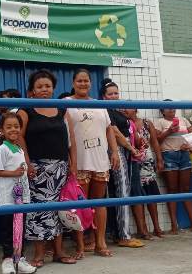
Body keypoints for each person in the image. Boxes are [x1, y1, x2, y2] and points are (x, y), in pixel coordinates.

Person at [17, 69, 78, 267]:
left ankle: (59, 253)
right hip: (37, 169)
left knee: (58, 211)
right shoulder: (26, 110)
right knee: (38, 212)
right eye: (40, 86)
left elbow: (71, 140)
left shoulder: (62, 109)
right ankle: (39, 255)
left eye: (48, 86)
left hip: (60, 168)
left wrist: (73, 164)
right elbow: (18, 137)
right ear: (32, 90)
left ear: (53, 88)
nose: (44, 89)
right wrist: (26, 162)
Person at [65, 69, 119, 257]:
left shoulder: (99, 104)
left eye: (86, 81)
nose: (83, 84)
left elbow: (109, 129)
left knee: (100, 203)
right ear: (73, 83)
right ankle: (80, 245)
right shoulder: (66, 104)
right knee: (80, 204)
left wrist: (114, 152)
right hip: (79, 161)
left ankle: (100, 242)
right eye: (79, 81)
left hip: (100, 160)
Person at [0, 112, 37, 274]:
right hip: (8, 198)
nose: (13, 130)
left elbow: (21, 170)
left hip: (21, 197)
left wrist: (26, 173)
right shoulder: (3, 149)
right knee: (8, 230)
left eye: (16, 126)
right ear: (1, 129)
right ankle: (8, 260)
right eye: (8, 127)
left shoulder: (19, 149)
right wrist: (15, 174)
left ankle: (20, 258)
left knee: (20, 228)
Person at [100, 79, 144, 248]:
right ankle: (123, 235)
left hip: (123, 151)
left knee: (120, 191)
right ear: (104, 97)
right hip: (116, 151)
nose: (114, 96)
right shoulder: (107, 110)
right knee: (122, 191)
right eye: (110, 94)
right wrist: (131, 148)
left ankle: (120, 233)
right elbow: (115, 132)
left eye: (116, 93)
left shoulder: (118, 111)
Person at [155, 100, 192, 234]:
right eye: (167, 108)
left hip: (184, 154)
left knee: (186, 189)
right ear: (162, 111)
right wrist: (169, 131)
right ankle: (174, 225)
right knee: (172, 190)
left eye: (173, 108)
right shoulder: (160, 122)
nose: (171, 110)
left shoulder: (183, 120)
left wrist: (189, 146)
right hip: (169, 155)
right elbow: (156, 140)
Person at [127, 108, 165, 238]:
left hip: (147, 162)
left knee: (152, 194)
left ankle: (157, 227)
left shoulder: (146, 123)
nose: (125, 110)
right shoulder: (125, 123)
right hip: (132, 161)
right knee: (137, 195)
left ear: (135, 110)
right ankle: (142, 229)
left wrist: (159, 159)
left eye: (129, 107)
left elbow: (154, 142)